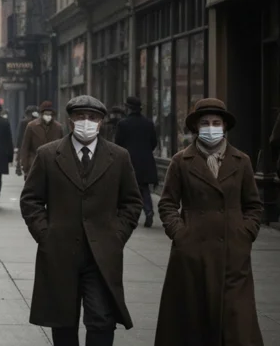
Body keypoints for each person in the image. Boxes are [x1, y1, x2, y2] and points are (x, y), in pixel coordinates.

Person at [20, 95, 143, 346]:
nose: (86, 122)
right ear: (70, 120)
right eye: (80, 117)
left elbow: (132, 202)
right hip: (60, 251)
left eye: (93, 117)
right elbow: (31, 200)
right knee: (63, 320)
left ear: (101, 123)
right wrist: (46, 234)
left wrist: (116, 235)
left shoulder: (118, 156)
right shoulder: (48, 155)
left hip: (101, 254)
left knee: (101, 319)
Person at [154, 98, 264, 346]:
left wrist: (245, 232)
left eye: (216, 122)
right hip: (192, 254)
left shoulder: (241, 160)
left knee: (237, 324)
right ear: (196, 127)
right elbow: (167, 203)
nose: (211, 127)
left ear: (224, 126)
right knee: (193, 322)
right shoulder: (181, 161)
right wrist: (181, 234)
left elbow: (254, 205)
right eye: (205, 123)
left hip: (233, 254)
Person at [114, 97, 159, 227]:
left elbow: (118, 144)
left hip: (129, 160)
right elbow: (154, 142)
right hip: (145, 161)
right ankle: (149, 211)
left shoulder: (123, 124)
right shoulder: (148, 123)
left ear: (128, 108)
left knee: (127, 188)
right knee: (144, 189)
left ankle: (128, 214)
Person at [20, 101, 64, 176]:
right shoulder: (31, 126)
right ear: (42, 114)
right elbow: (25, 147)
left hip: (52, 165)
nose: (48, 116)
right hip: (34, 164)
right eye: (46, 114)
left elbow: (62, 148)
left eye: (50, 114)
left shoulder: (58, 127)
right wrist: (25, 166)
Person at [15, 105, 39, 176]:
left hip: (25, 145)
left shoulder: (24, 122)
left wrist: (18, 146)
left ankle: (21, 169)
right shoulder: (38, 122)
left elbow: (20, 136)